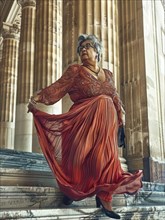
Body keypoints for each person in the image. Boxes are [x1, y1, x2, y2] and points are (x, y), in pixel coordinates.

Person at [28, 34, 143, 219]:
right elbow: (57, 88)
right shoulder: (75, 71)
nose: (83, 50)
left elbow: (114, 98)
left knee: (104, 161)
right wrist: (37, 98)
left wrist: (121, 117)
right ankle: (71, 191)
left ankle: (105, 197)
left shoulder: (109, 74)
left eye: (87, 46)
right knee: (78, 157)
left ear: (97, 51)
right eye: (80, 48)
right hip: (82, 121)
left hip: (106, 125)